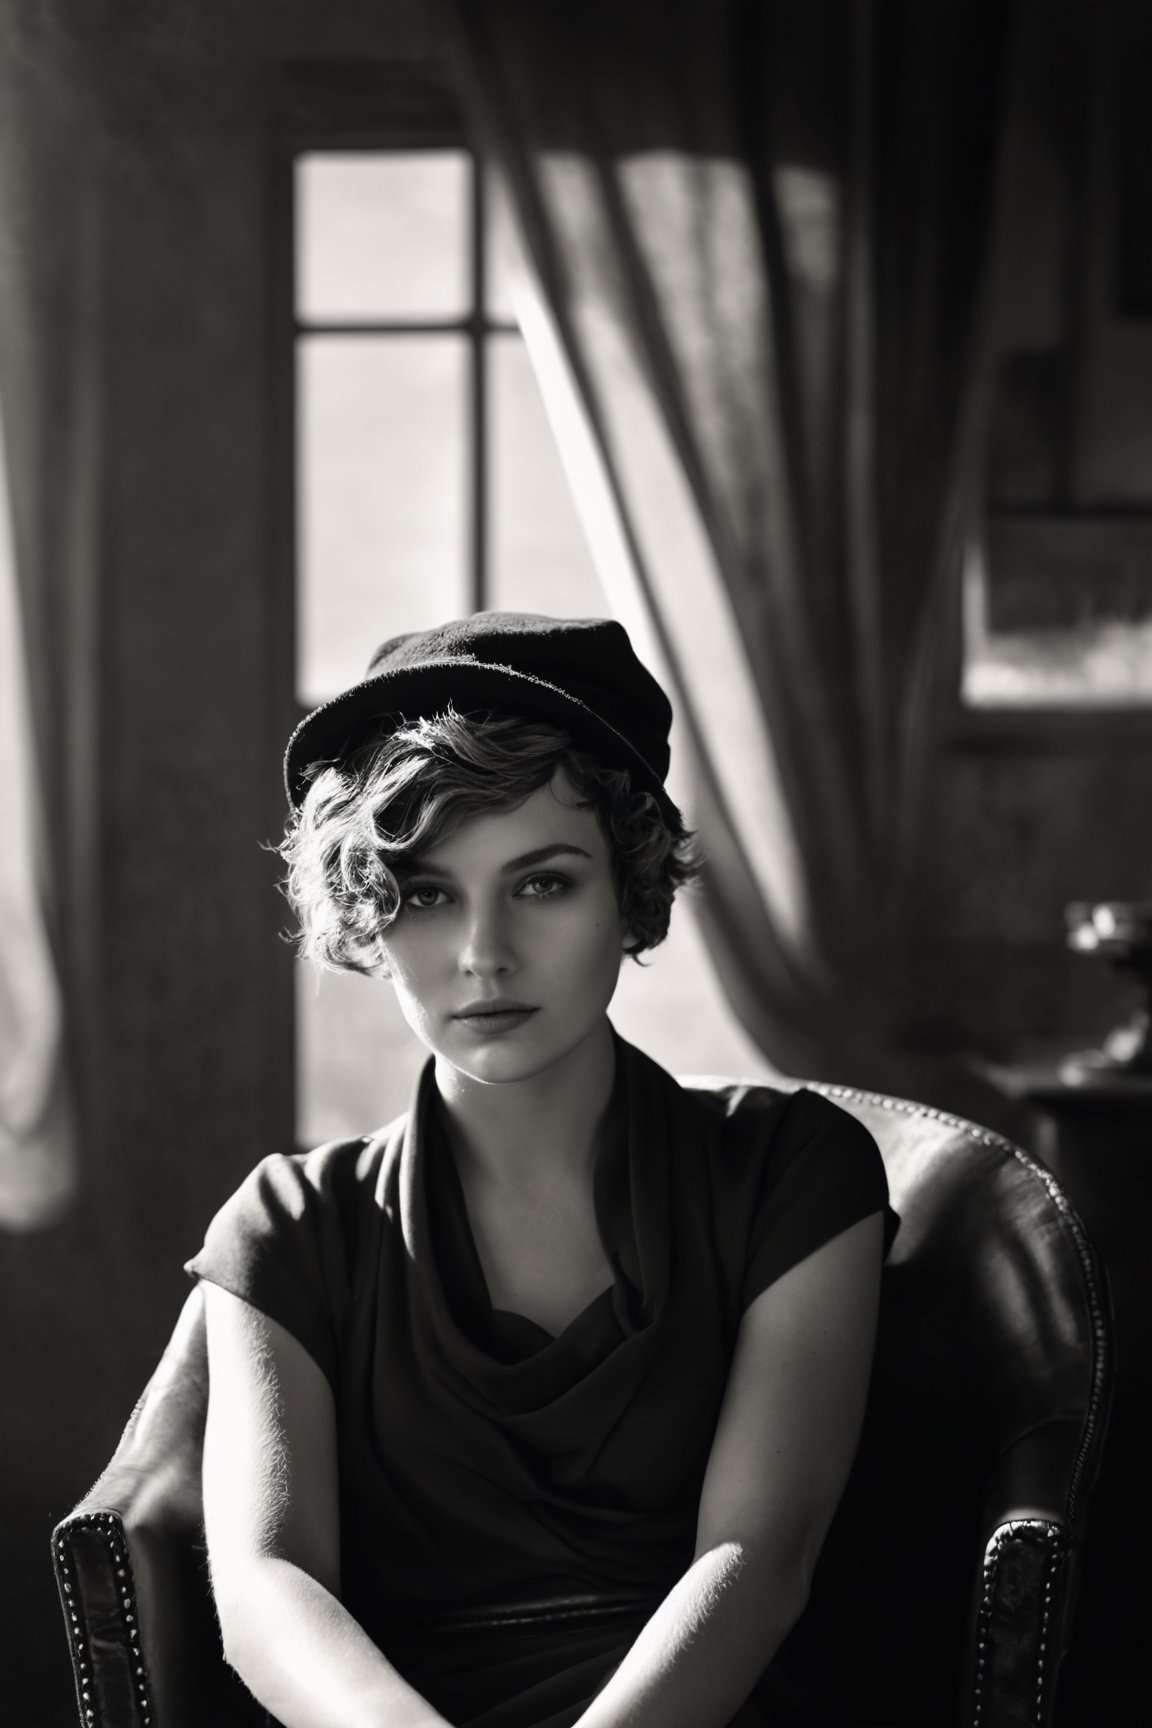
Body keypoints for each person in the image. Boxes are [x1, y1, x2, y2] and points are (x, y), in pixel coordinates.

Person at [188, 611, 896, 1728]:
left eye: (544, 882)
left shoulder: (793, 1173)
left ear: (632, 889)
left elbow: (760, 1559)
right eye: (426, 893)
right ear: (369, 917)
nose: (483, 953)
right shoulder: (288, 1226)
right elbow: (266, 1591)